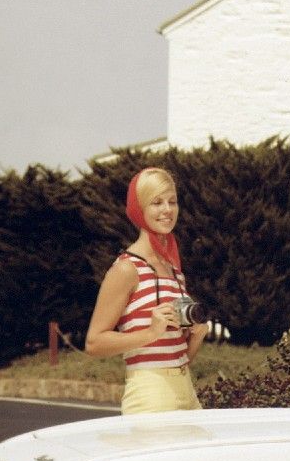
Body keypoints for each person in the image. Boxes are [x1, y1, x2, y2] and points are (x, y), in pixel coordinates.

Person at [84, 167, 208, 414]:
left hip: (185, 387)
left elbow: (177, 356)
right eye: (157, 202)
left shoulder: (175, 271)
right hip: (150, 392)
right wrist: (150, 333)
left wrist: (197, 335)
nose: (167, 210)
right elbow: (94, 343)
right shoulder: (126, 269)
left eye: (172, 201)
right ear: (139, 209)